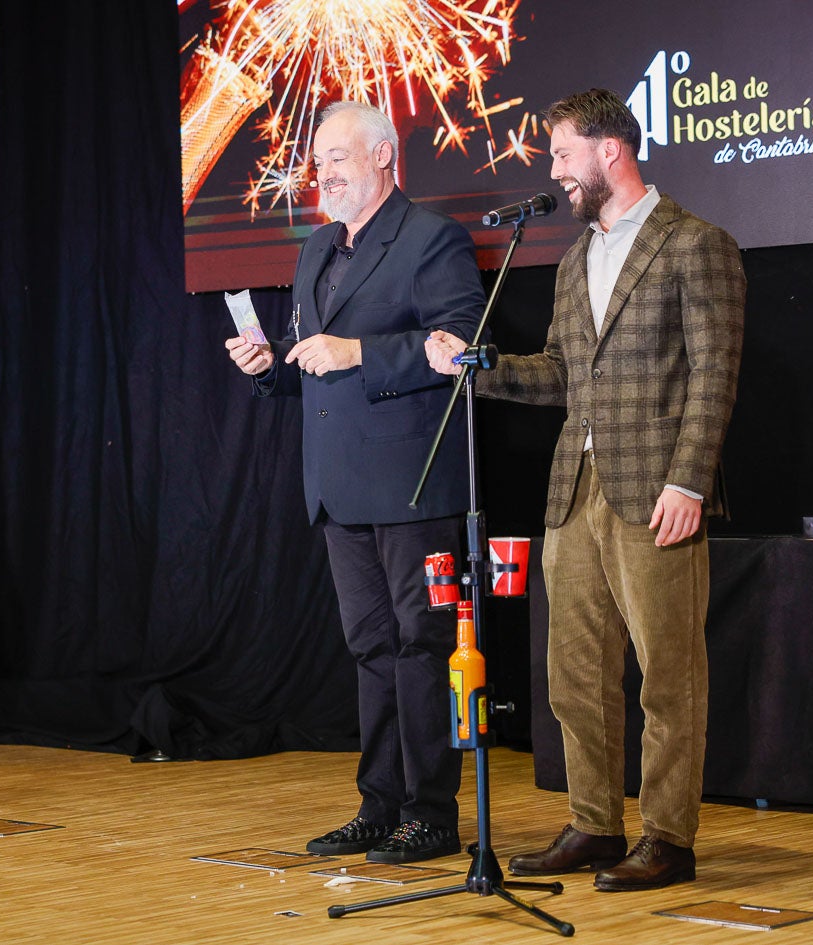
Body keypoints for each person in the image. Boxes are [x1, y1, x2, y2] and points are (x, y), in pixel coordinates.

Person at [427, 88, 745, 890]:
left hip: (656, 489)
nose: (556, 173)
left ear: (611, 149)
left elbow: (714, 374)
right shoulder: (576, 259)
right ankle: (595, 823)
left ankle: (667, 835)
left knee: (667, 675)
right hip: (576, 488)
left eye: (564, 154)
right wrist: (482, 366)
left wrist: (689, 479)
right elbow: (565, 375)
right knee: (573, 673)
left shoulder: (692, 242)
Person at [225, 102, 485, 864]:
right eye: (318, 161)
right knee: (371, 646)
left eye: (337, 157)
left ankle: (430, 813)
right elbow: (313, 351)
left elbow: (462, 344)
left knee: (420, 646)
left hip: (411, 484)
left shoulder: (431, 238)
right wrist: (271, 365)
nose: (324, 172)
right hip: (338, 486)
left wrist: (357, 354)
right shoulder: (316, 248)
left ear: (382, 156)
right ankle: (378, 804)